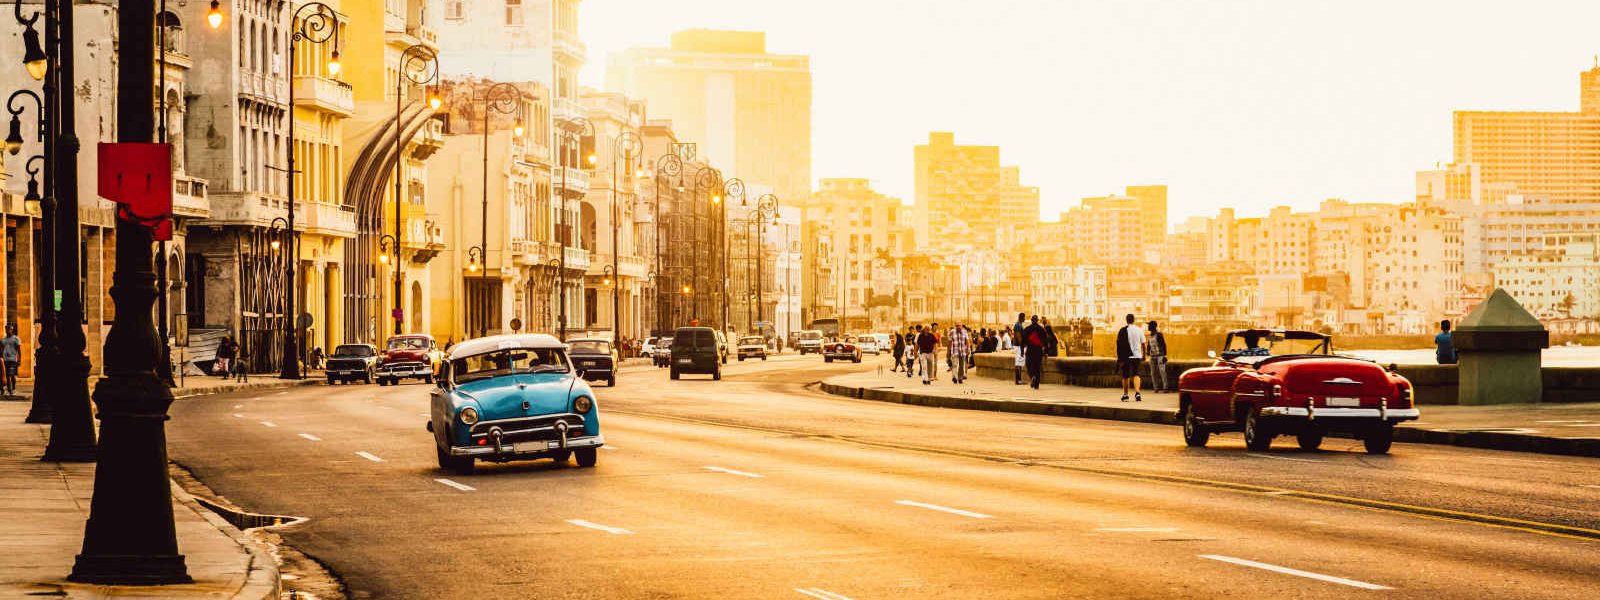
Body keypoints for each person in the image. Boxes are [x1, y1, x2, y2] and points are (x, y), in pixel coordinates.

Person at [1116, 314, 1147, 402]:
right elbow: (1143, 344)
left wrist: (1120, 358)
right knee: (1136, 374)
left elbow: (1119, 345)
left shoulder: (1122, 330)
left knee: (1125, 375)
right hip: (1137, 355)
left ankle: (1126, 395)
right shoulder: (1139, 330)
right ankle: (1137, 393)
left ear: (1126, 320)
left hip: (1126, 356)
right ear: (1134, 320)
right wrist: (1144, 356)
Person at [1022, 315, 1046, 389]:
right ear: (1038, 320)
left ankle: (1032, 376)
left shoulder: (1027, 329)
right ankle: (1037, 385)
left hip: (1030, 350)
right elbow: (1045, 341)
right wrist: (1046, 352)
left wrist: (1022, 351)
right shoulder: (1042, 329)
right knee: (1037, 367)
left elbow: (1023, 341)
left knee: (1029, 365)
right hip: (1038, 351)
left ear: (1031, 321)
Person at [1146, 321, 1170, 393]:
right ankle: (1156, 388)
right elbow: (1149, 345)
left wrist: (1165, 355)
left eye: (1149, 325)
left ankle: (1165, 388)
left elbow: (1163, 344)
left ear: (1153, 327)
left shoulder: (1159, 335)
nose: (1148, 327)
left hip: (1160, 355)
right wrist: (1148, 351)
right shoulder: (1150, 335)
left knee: (1162, 371)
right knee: (1153, 372)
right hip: (1152, 356)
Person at [1, 324, 21, 397]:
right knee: (7, 375)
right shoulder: (3, 339)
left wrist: (19, 360)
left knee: (11, 375)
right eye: (6, 329)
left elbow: (19, 350)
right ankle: (10, 390)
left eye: (9, 329)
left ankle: (13, 388)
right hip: (5, 360)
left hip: (13, 360)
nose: (7, 331)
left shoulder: (16, 339)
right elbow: (2, 350)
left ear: (12, 330)